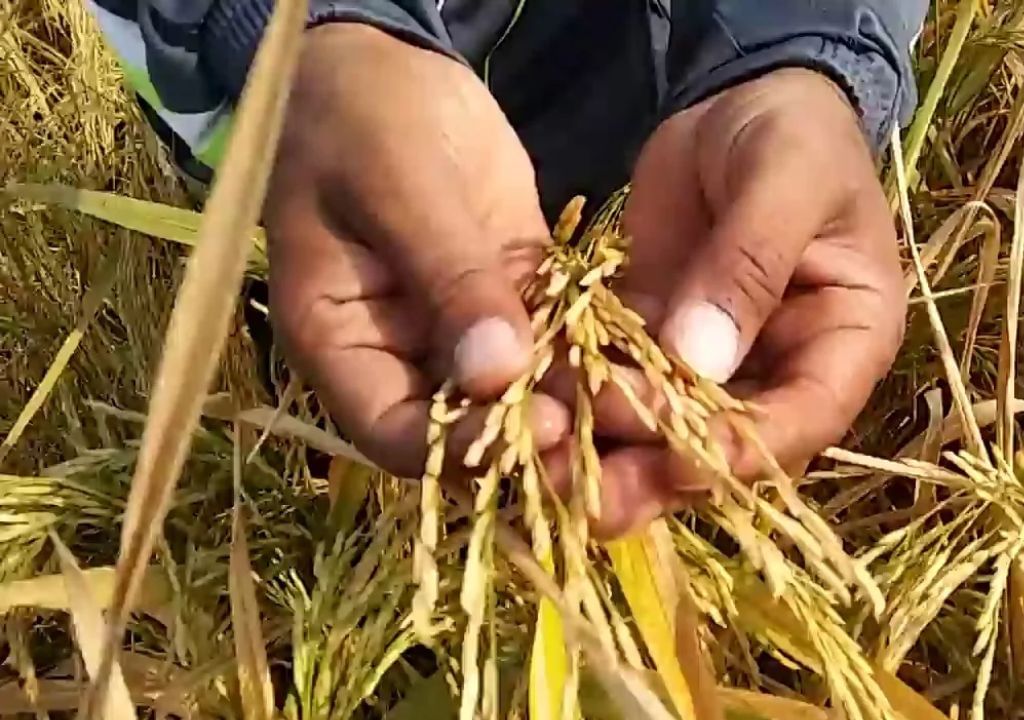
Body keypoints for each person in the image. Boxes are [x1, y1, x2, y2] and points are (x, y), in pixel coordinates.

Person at [87, 0, 924, 539]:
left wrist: (798, 46)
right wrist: (303, 36)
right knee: (361, 358)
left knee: (619, 444)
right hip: (314, 122)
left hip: (644, 93)